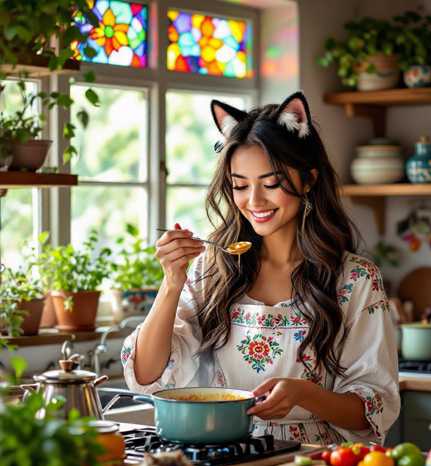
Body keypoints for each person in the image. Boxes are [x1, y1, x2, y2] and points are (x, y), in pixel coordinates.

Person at [121, 91, 399, 444]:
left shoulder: (355, 278)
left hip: (315, 464)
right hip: (224, 451)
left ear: (309, 179)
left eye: (271, 184)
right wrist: (172, 282)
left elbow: (375, 405)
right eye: (240, 186)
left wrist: (303, 393)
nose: (254, 202)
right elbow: (147, 375)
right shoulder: (213, 268)